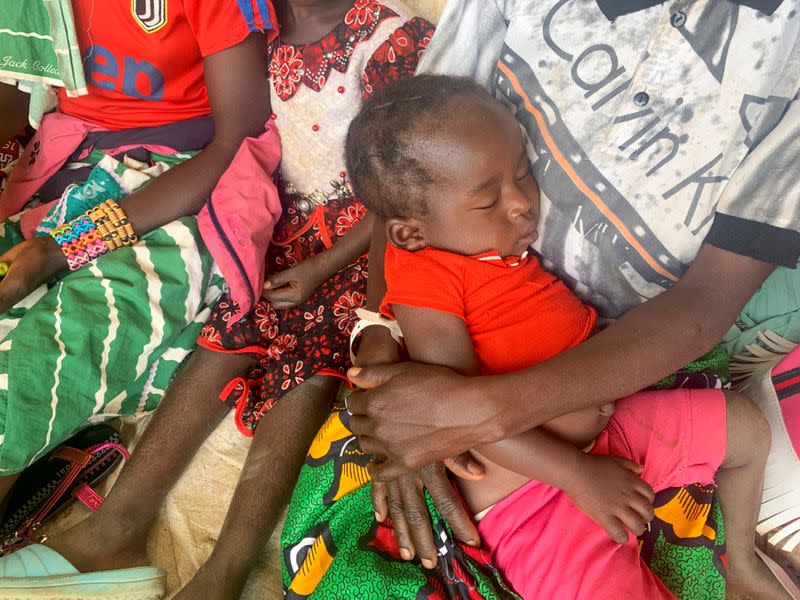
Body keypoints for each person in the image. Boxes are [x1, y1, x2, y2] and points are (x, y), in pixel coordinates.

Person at [337, 0, 800, 590]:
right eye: (490, 199)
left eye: (523, 173)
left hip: (606, 414)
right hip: (535, 496)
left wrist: (566, 452)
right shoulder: (435, 265)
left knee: (746, 428)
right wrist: (378, 336)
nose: (521, 204)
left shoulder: (482, 242)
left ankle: (741, 562)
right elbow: (449, 412)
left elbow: (705, 303)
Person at [0, 1, 434, 599]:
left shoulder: (389, 41)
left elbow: (399, 185)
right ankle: (114, 530)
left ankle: (222, 576)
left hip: (355, 246)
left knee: (306, 366)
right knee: (226, 332)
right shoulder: (272, 28)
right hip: (279, 226)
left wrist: (326, 267)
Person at [0, 0, 279, 507]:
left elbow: (238, 138)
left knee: (60, 339)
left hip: (185, 177)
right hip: (69, 163)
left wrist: (68, 247)